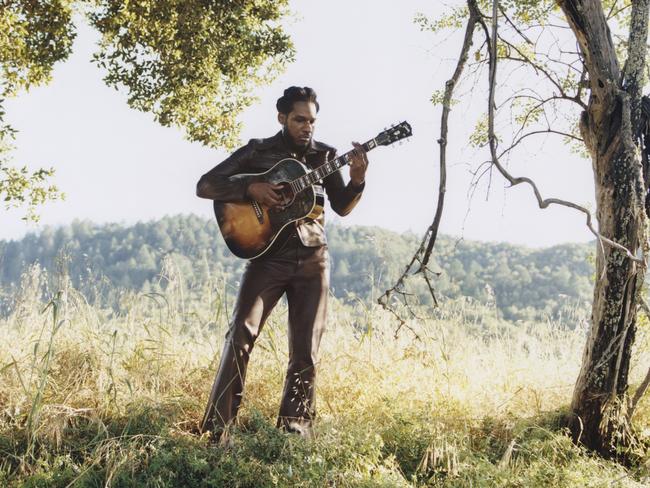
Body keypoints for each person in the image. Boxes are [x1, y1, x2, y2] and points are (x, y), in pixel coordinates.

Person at [195, 86, 368, 443]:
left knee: (306, 348)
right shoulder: (259, 151)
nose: (307, 127)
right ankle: (218, 430)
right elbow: (206, 185)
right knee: (240, 333)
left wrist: (358, 178)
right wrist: (251, 188)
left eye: (312, 121)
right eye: (300, 119)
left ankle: (294, 431)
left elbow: (342, 206)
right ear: (283, 118)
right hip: (266, 256)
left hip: (313, 259)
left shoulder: (326, 156)